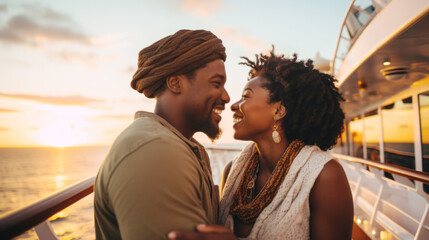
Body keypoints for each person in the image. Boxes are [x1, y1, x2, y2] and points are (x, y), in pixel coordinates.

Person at [168, 49, 353, 239]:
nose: (233, 105)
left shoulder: (324, 175)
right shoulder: (232, 171)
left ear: (279, 110)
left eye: (246, 96)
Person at [94, 29, 230, 240]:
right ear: (175, 83)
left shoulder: (177, 144)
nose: (227, 96)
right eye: (216, 83)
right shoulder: (156, 149)